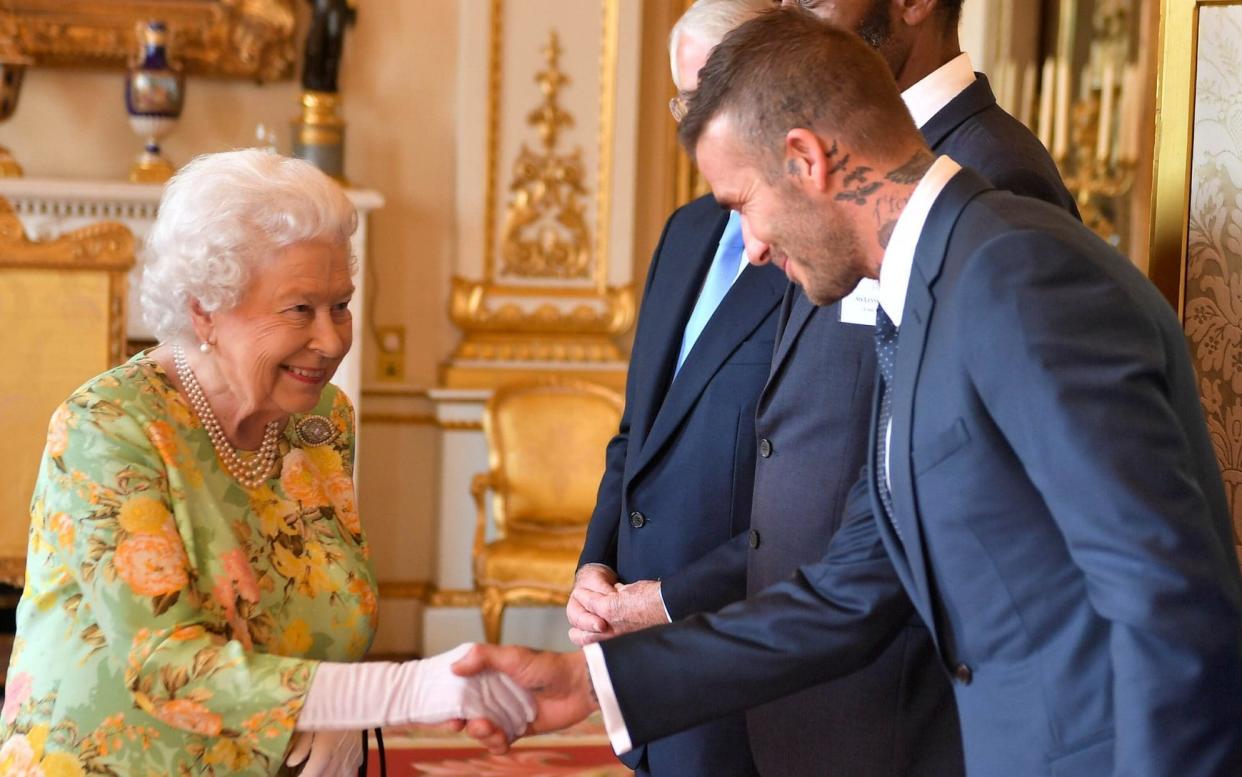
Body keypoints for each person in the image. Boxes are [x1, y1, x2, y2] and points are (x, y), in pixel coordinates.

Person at [454, 10, 1242, 777]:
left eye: (743, 206)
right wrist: (592, 682)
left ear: (808, 158)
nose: (752, 249)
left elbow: (1168, 604)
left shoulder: (1014, 274)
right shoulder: (924, 288)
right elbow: (848, 591)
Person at [574, 1, 1076, 774]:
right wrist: (610, 676)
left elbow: (1125, 570)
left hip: (888, 711)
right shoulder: (853, 179)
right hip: (797, 678)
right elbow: (880, 506)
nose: (757, 249)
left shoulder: (992, 187)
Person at [0, 150, 533, 777]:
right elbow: (166, 664)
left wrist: (342, 713)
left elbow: (328, 615)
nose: (332, 340)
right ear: (205, 310)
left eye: (341, 305)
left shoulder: (320, 422)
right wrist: (406, 690)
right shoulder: (108, 427)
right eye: (299, 309)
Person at [570, 1, 778, 774]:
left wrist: (669, 598)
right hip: (644, 658)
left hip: (741, 653)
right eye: (684, 101)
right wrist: (596, 570)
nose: (693, 126)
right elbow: (637, 432)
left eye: (710, 99)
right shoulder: (686, 230)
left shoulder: (807, 249)